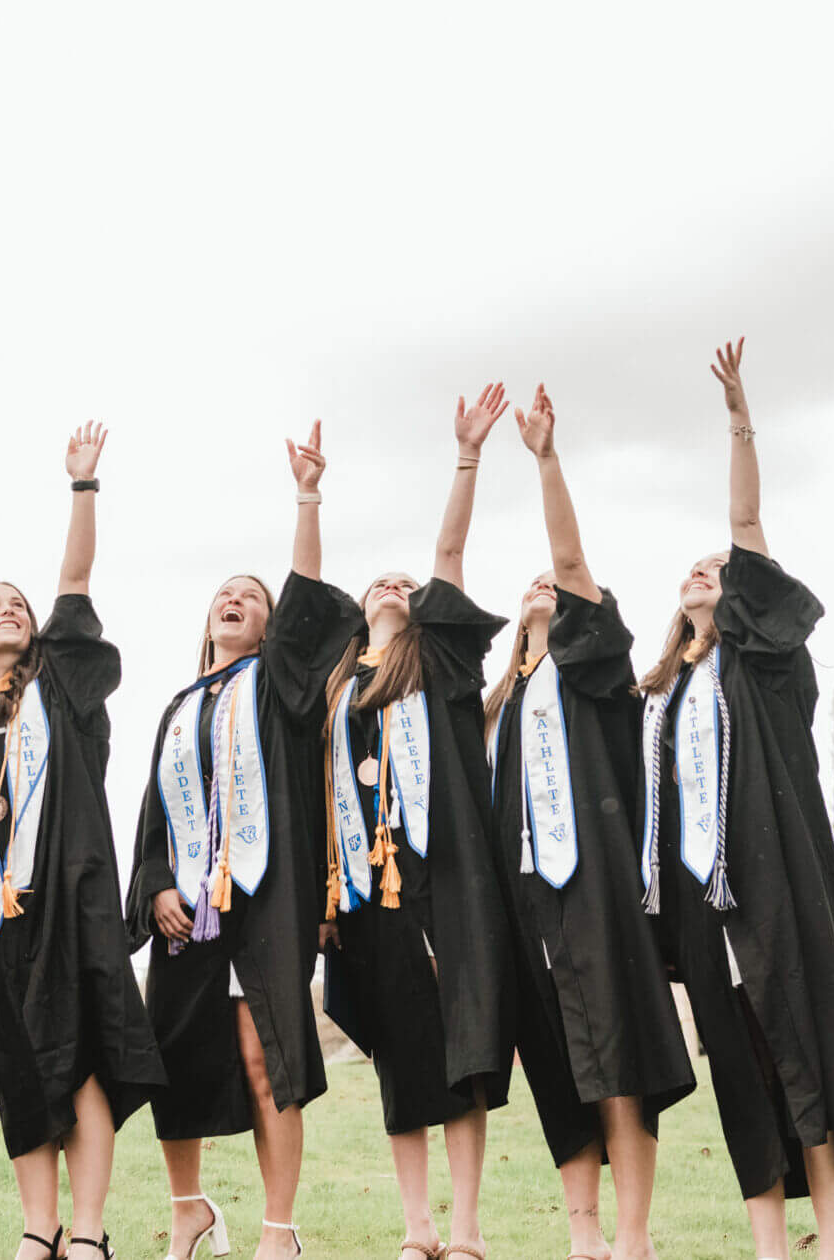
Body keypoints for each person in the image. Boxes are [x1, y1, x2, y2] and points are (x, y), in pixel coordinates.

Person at [638, 342, 834, 1260]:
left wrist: (740, 418)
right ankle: (772, 1244)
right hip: (704, 903)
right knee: (741, 1071)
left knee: (808, 1050)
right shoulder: (658, 692)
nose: (706, 569)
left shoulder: (764, 664)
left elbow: (744, 519)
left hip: (776, 885)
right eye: (694, 567)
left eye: (721, 567)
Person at [0, 422, 168, 1260]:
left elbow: (74, 584)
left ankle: (87, 1232)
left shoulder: (61, 691)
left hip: (69, 901)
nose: (9, 609)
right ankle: (39, 1227)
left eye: (17, 604)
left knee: (85, 1061)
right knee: (17, 1071)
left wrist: (82, 488)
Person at [128, 422, 360, 1260]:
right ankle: (188, 1208)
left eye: (252, 598)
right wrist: (155, 882)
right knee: (174, 1059)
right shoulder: (179, 707)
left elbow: (306, 593)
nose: (237, 601)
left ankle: (277, 1228)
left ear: (270, 630)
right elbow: (154, 816)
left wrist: (307, 495)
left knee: (268, 1059)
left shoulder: (281, 688)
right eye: (225, 594)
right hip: (190, 912)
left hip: (265, 904)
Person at [483, 387, 695, 1260]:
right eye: (528, 579)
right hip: (523, 898)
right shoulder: (498, 706)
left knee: (620, 1064)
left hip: (593, 890)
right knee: (556, 1064)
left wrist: (545, 461)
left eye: (557, 585)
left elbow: (573, 563)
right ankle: (584, 1237)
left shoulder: (594, 679)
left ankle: (634, 1237)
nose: (544, 583)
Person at [316, 389, 513, 1260]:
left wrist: (466, 457)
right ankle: (418, 1228)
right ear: (361, 607)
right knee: (401, 1059)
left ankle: (465, 1230)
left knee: (463, 1053)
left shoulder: (438, 662)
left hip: (447, 879)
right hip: (364, 889)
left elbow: (448, 553)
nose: (396, 586)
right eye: (381, 582)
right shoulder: (335, 690)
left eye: (406, 584)